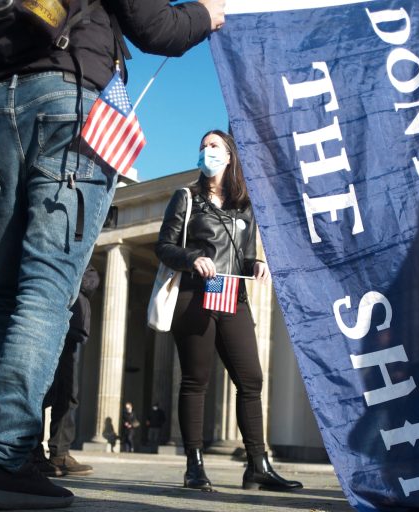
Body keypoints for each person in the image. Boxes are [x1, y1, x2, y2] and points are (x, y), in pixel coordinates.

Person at [0, 0, 226, 508]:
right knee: (45, 288)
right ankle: (7, 456)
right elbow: (153, 26)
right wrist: (205, 14)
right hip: (69, 96)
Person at [155, 129, 302, 492]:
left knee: (251, 379)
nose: (207, 151)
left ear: (230, 154)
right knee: (195, 380)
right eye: (203, 146)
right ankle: (194, 465)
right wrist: (193, 258)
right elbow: (164, 247)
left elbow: (246, 255)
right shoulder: (186, 197)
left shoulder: (243, 205)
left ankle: (258, 466)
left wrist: (257, 265)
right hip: (194, 295)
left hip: (232, 295)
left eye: (214, 145)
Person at [34, 265, 99, 477]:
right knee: (41, 392)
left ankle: (59, 453)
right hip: (45, 320)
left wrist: (69, 278)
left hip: (72, 327)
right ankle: (32, 452)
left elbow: (90, 279)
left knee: (68, 394)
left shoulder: (83, 246)